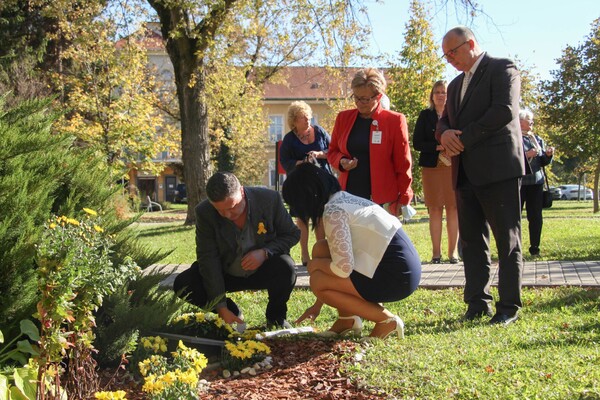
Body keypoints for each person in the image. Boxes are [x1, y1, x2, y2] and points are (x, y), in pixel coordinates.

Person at [435, 26, 525, 325]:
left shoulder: (502, 68)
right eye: (445, 55)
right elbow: (444, 120)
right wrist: (445, 133)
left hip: (498, 170)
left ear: (470, 43)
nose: (449, 60)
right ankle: (477, 304)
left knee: (506, 240)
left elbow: (504, 111)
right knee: (471, 242)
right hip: (465, 174)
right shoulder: (456, 83)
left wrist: (462, 138)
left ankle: (508, 306)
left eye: (453, 52)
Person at [282, 163, 421, 339]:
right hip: (403, 268)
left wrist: (315, 265)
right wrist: (318, 305)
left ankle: (387, 321)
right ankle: (347, 319)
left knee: (317, 281)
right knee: (321, 248)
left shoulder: (333, 211)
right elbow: (336, 258)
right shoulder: (343, 199)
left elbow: (342, 269)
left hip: (395, 277)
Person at [173, 171, 300, 329]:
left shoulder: (269, 199)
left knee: (286, 267)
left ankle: (276, 317)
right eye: (220, 210)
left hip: (263, 269)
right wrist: (221, 307)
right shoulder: (204, 212)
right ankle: (232, 312)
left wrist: (265, 252)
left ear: (241, 191)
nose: (227, 214)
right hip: (225, 272)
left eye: (232, 207)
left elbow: (292, 234)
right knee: (184, 283)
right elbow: (208, 259)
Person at [328, 68, 413, 216]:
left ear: (379, 96)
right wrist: (342, 161)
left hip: (383, 199)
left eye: (366, 99)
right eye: (356, 97)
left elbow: (403, 163)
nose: (360, 103)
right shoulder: (343, 118)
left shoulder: (395, 121)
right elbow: (332, 151)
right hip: (349, 195)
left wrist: (404, 197)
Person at [279, 101, 332, 265]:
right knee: (303, 219)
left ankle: (321, 253)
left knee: (320, 218)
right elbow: (284, 162)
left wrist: (319, 153)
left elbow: (334, 151)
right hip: (300, 184)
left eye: (308, 117)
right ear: (294, 121)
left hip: (321, 183)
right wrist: (300, 163)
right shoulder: (289, 140)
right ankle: (304, 255)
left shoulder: (320, 132)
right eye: (303, 118)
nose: (307, 120)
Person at [413, 80, 459, 264]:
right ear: (432, 96)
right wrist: (438, 146)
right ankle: (436, 254)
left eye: (444, 92)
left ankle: (453, 253)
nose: (441, 95)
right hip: (432, 169)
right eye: (437, 92)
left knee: (454, 209)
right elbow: (417, 143)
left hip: (452, 168)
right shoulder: (425, 115)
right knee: (434, 209)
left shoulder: (455, 115)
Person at [519, 110, 554, 257]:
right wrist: (527, 155)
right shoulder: (513, 137)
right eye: (529, 120)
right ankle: (515, 249)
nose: (532, 123)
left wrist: (548, 155)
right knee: (515, 217)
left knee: (536, 217)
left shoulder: (537, 138)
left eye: (532, 120)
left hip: (536, 182)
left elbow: (542, 162)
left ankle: (535, 248)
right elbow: (511, 157)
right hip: (520, 182)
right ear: (520, 122)